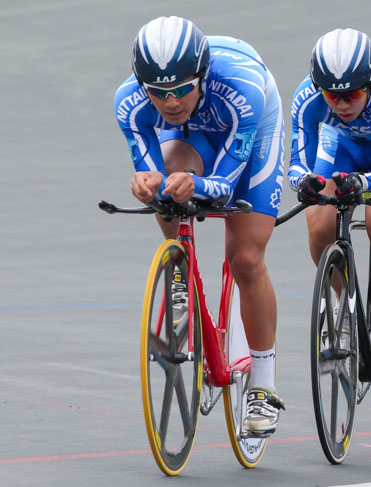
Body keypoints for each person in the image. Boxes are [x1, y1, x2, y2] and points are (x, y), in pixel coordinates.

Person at [114, 16, 286, 433]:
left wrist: (196, 184)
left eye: (181, 89)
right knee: (169, 186)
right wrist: (149, 183)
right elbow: (152, 171)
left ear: (202, 75)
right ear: (143, 85)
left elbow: (225, 186)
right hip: (200, 134)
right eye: (158, 93)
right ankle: (179, 274)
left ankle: (262, 385)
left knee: (245, 258)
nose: (171, 102)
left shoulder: (242, 90)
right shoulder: (128, 102)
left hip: (249, 133)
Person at [288, 28, 371, 391]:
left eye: (352, 94)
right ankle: (344, 303)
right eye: (332, 95)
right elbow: (297, 164)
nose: (342, 104)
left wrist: (365, 185)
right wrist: (306, 183)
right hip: (342, 152)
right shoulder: (306, 98)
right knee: (318, 224)